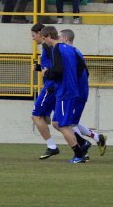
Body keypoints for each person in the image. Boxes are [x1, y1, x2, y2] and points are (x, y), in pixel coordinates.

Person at [41, 25, 90, 163]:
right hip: (71, 89)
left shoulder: (56, 49)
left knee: (63, 125)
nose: (44, 42)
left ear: (49, 36)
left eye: (44, 39)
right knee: (56, 122)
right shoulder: (70, 49)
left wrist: (47, 72)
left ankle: (79, 154)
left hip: (64, 91)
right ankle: (83, 144)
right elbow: (82, 69)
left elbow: (58, 70)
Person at [30, 23, 60, 158]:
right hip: (53, 85)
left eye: (33, 35)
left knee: (36, 115)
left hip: (51, 86)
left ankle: (51, 146)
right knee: (61, 121)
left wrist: (51, 80)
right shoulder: (47, 48)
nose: (33, 38)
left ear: (40, 33)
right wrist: (39, 68)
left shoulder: (47, 47)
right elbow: (48, 66)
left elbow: (55, 66)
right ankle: (93, 138)